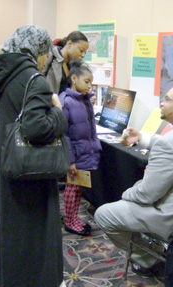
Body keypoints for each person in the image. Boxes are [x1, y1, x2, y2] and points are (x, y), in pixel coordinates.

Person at [0, 25, 68, 287]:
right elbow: (36, 127)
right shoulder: (33, 80)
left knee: (7, 230)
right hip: (27, 173)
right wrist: (58, 113)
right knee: (31, 234)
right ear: (36, 50)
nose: (45, 60)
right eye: (45, 54)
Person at [94, 81, 173, 278]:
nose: (162, 103)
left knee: (103, 214)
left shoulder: (169, 142)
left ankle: (150, 259)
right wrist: (142, 137)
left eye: (167, 99)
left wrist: (127, 193)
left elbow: (148, 194)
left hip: (171, 217)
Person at [59, 60, 102, 236]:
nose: (90, 86)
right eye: (87, 81)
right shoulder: (66, 101)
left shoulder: (84, 100)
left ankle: (74, 218)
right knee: (72, 188)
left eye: (91, 82)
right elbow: (64, 134)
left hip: (84, 153)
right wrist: (70, 161)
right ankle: (70, 221)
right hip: (75, 156)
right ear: (74, 79)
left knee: (78, 188)